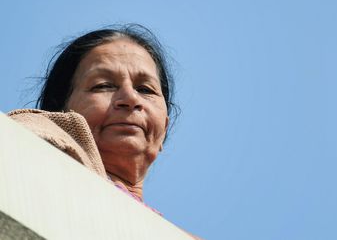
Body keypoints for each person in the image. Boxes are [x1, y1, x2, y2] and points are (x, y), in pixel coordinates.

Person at [8, 24, 202, 239]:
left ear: (164, 127)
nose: (130, 99)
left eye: (145, 89)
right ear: (58, 112)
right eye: (103, 85)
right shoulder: (20, 147)